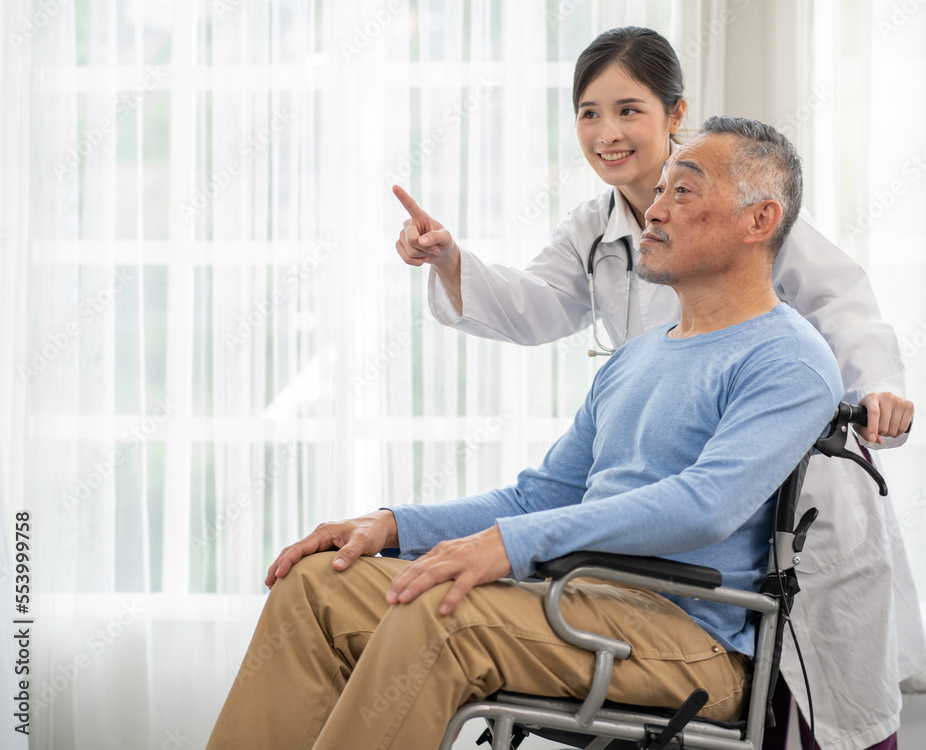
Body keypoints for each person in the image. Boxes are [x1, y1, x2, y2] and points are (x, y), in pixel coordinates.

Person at [206, 118, 842, 750]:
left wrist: (511, 547)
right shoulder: (635, 358)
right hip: (573, 601)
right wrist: (391, 525)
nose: (654, 211)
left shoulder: (789, 358)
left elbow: (706, 505)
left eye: (684, 193)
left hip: (688, 638)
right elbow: (538, 497)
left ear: (760, 220)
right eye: (658, 192)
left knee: (443, 612)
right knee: (318, 587)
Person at [393, 27, 923, 750]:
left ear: (676, 115)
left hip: (770, 482)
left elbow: (840, 306)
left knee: (810, 702)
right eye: (588, 112)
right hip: (667, 503)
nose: (607, 133)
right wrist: (452, 260)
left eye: (628, 110)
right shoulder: (594, 230)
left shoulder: (741, 202)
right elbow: (533, 308)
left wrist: (880, 387)